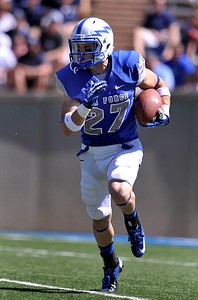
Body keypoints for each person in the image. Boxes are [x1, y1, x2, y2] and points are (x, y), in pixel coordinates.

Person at [55, 17, 171, 292]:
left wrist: (165, 108)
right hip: (92, 152)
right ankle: (111, 265)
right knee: (99, 217)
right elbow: (66, 129)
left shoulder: (128, 64)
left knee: (119, 188)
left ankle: (133, 222)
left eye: (87, 47)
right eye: (78, 47)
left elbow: (159, 85)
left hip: (125, 145)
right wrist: (84, 106)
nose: (80, 54)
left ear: (105, 45)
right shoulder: (71, 77)